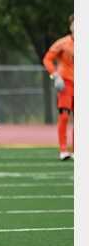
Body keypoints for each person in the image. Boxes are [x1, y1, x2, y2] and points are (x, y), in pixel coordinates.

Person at [42, 15, 74, 160]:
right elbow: (47, 58)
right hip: (66, 84)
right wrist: (55, 75)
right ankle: (63, 150)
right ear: (70, 26)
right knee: (64, 116)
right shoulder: (63, 43)